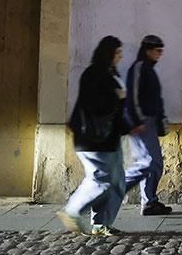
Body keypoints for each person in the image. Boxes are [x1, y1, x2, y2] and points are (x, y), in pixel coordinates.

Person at [58, 35, 144, 236]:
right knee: (100, 179)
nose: (120, 57)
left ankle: (101, 223)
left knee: (117, 182)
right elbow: (95, 106)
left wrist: (128, 127)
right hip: (92, 139)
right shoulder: (93, 74)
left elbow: (115, 112)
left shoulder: (110, 73)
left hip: (109, 139)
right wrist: (116, 96)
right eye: (117, 53)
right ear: (108, 53)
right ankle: (72, 210)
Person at [124, 34, 173, 216]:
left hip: (150, 122)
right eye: (157, 51)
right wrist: (137, 121)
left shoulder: (149, 69)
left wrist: (160, 120)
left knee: (154, 163)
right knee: (149, 162)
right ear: (148, 50)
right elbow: (133, 96)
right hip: (141, 123)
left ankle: (150, 201)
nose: (160, 54)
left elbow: (155, 98)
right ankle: (143, 200)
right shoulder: (139, 68)